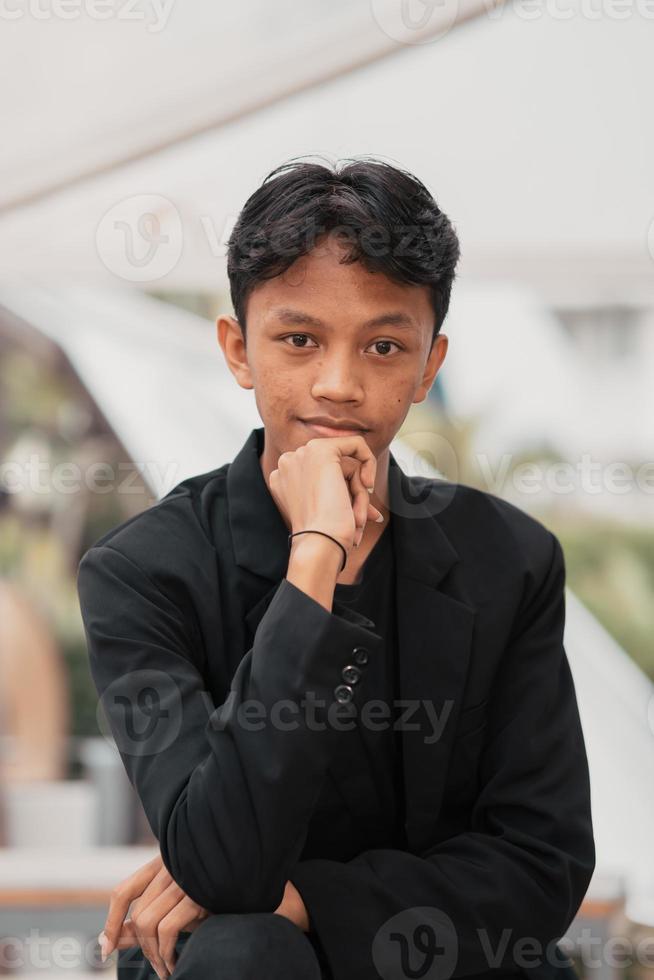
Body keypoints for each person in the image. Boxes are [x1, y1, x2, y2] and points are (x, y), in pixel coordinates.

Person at [76, 156, 595, 980]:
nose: (339, 384)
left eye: (384, 345)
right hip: (237, 961)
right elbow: (225, 873)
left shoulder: (510, 558)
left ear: (430, 366)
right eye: (299, 339)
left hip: (455, 960)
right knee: (244, 945)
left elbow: (543, 865)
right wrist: (315, 563)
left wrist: (310, 898)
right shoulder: (144, 571)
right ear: (239, 349)